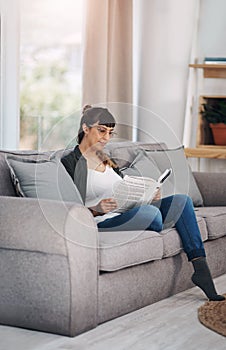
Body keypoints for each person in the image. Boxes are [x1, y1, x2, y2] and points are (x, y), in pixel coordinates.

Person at [61, 105, 225, 302]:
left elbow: (123, 189)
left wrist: (147, 195)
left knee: (181, 201)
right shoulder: (70, 162)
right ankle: (165, 220)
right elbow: (70, 208)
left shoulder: (106, 159)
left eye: (111, 133)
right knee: (151, 215)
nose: (106, 138)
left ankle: (200, 269)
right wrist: (96, 210)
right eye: (101, 131)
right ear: (85, 128)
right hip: (103, 220)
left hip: (130, 211)